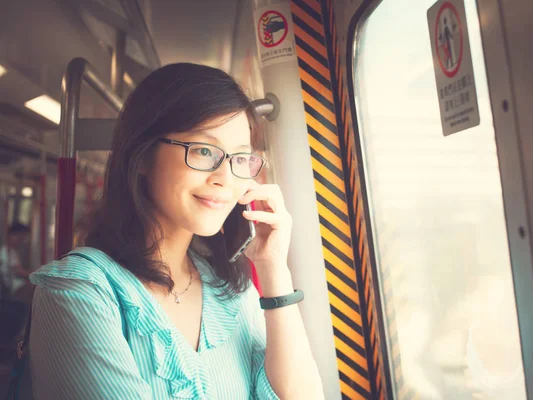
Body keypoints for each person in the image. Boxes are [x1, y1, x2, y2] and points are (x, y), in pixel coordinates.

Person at [28, 63, 324, 399]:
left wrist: (274, 271)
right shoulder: (79, 292)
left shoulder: (228, 289)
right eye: (203, 151)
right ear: (141, 156)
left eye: (240, 158)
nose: (225, 178)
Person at [0, 222, 31, 299]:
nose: (22, 240)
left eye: (23, 238)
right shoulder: (6, 252)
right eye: (20, 237)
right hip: (12, 286)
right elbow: (19, 271)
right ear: (11, 236)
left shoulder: (13, 251)